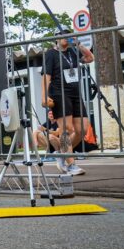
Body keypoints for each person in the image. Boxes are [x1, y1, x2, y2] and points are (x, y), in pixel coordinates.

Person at [41, 37, 94, 176]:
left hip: (75, 93)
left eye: (68, 34)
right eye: (63, 34)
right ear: (56, 38)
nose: (66, 37)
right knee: (66, 129)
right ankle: (71, 164)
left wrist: (79, 44)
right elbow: (46, 76)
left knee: (82, 128)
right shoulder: (51, 54)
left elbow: (90, 58)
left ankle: (62, 153)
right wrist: (44, 95)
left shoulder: (73, 51)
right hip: (59, 93)